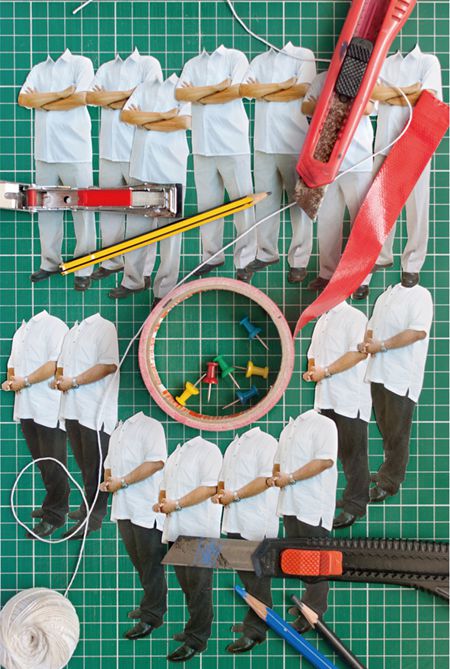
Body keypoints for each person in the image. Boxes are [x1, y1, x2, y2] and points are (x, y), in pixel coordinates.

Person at [354, 45, 443, 298]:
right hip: (385, 144)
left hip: (416, 144)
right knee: (376, 212)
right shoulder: (384, 62)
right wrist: (409, 91)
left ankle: (412, 265)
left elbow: (428, 100)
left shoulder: (428, 62)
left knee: (417, 209)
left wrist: (389, 96)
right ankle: (373, 262)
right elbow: (373, 94)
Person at [18, 49, 96, 292]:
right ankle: (49, 263)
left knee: (82, 212)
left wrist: (42, 101)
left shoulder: (81, 63)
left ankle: (83, 269)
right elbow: (24, 100)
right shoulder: (39, 69)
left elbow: (80, 98)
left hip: (75, 151)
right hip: (45, 152)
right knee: (46, 211)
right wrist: (62, 94)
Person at [176, 45, 256, 282]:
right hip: (202, 144)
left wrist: (199, 95)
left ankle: (246, 260)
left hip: (233, 143)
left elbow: (236, 91)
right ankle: (211, 256)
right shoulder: (192, 64)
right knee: (208, 206)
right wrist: (217, 87)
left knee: (242, 204)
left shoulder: (236, 57)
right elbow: (181, 95)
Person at [110, 73, 191, 306]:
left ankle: (164, 290)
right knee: (136, 229)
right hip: (141, 166)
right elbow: (127, 115)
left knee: (169, 235)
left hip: (170, 169)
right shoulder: (144, 87)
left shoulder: (184, 88)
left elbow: (184, 122)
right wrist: (163, 117)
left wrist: (144, 121)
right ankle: (133, 280)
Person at [241, 43, 316, 283]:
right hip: (263, 144)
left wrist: (264, 91)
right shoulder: (259, 60)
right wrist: (283, 86)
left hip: (293, 142)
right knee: (265, 204)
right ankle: (266, 253)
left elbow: (302, 90)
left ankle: (299, 261)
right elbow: (245, 89)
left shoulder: (303, 55)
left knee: (300, 205)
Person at [87, 49, 163, 282]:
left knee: (143, 214)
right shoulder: (106, 68)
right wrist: (128, 96)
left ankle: (143, 271)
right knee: (109, 212)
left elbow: (148, 101)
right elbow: (91, 98)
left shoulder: (149, 63)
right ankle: (111, 261)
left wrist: (109, 99)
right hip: (108, 151)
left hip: (137, 151)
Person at [359, 282, 433, 502]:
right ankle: (387, 470)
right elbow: (372, 328)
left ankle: (389, 483)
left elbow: (417, 332)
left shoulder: (420, 295)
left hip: (401, 374)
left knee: (398, 433)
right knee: (387, 428)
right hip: (379, 372)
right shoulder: (386, 295)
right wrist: (367, 343)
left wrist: (381, 346)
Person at [302, 71, 374, 293]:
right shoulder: (323, 78)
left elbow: (368, 108)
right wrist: (342, 105)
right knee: (328, 220)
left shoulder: (365, 75)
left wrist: (327, 105)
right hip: (327, 160)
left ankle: (361, 279)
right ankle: (327, 274)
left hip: (358, 161)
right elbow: (305, 107)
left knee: (360, 222)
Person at [154, 436, 222, 663]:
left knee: (200, 589)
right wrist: (162, 503)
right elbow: (164, 488)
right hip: (176, 531)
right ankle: (194, 627)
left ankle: (197, 640)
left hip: (201, 532)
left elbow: (210, 488)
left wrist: (176, 504)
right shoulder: (176, 454)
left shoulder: (208, 450)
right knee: (189, 588)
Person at [303, 301, 371, 529]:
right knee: (327, 455)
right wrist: (312, 370)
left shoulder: (355, 317)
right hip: (326, 399)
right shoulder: (322, 320)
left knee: (354, 456)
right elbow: (312, 354)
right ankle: (332, 501)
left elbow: (358, 354)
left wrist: (326, 371)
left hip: (350, 398)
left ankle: (355, 506)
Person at [268, 409, 338, 633]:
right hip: (291, 504)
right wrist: (276, 477)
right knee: (302, 559)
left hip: (312, 504)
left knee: (316, 560)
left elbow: (325, 461)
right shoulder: (288, 430)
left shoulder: (323, 424)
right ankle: (308, 602)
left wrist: (290, 478)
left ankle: (314, 611)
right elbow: (278, 464)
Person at [100, 412, 167, 640]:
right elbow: (109, 465)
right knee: (141, 564)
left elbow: (156, 462)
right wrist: (108, 481)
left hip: (146, 508)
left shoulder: (150, 426)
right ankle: (152, 603)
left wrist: (123, 481)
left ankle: (152, 616)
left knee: (151, 565)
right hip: (124, 509)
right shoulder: (118, 431)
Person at [1, 311, 69, 538]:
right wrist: (11, 381)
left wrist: (26, 381)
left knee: (54, 463)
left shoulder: (53, 325)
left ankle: (56, 515)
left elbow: (56, 364)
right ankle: (53, 503)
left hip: (49, 408)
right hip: (26, 408)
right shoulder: (21, 332)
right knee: (43, 463)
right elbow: (13, 365)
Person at [212, 427, 279, 653]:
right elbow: (223, 481)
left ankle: (256, 631)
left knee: (258, 581)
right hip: (235, 521)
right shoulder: (234, 445)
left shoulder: (266, 442)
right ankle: (256, 619)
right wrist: (220, 494)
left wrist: (235, 495)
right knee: (249, 580)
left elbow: (266, 480)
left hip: (256, 522)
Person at [56, 313, 119, 538]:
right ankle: (86, 508)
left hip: (95, 412)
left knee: (96, 470)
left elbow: (109, 365)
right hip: (72, 410)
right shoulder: (73, 332)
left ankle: (93, 519)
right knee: (86, 467)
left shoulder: (104, 327)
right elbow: (61, 367)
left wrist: (73, 381)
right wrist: (60, 380)